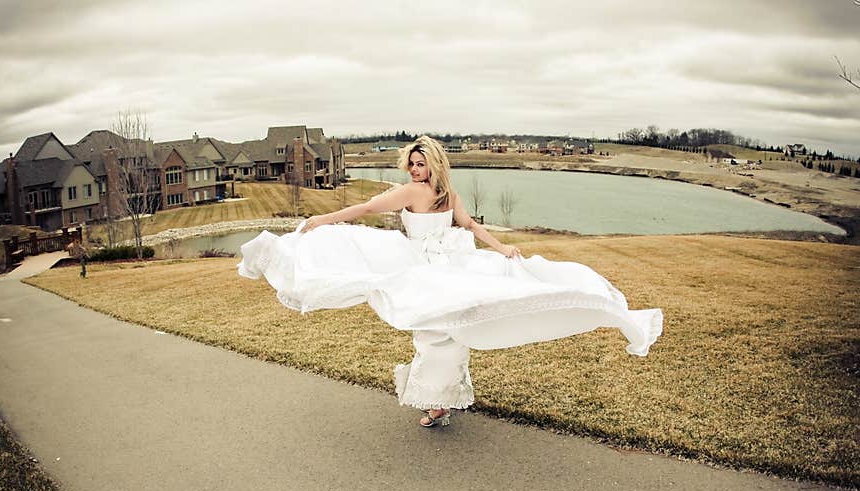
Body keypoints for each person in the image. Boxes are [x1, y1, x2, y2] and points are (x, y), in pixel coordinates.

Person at [238, 136, 662, 428]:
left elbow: (471, 226)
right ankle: (442, 398)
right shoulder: (419, 192)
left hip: (445, 265)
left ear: (434, 165)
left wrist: (502, 249)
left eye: (422, 164)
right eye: (413, 164)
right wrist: (321, 220)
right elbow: (365, 209)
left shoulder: (441, 194)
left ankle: (441, 400)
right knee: (436, 328)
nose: (417, 169)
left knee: (448, 327)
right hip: (425, 265)